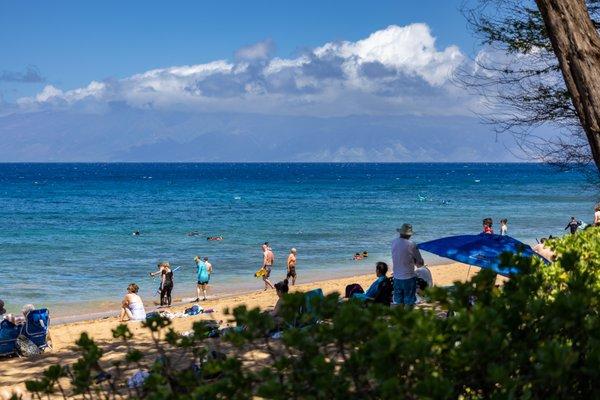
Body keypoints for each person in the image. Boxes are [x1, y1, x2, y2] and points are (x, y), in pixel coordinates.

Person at [391, 223, 424, 307]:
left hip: (396, 277)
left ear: (400, 233)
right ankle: (408, 319)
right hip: (408, 278)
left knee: (399, 302)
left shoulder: (393, 242)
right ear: (410, 234)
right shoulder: (412, 244)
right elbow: (420, 263)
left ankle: (400, 319)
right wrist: (415, 260)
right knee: (409, 302)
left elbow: (401, 255)